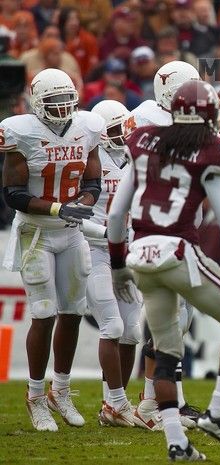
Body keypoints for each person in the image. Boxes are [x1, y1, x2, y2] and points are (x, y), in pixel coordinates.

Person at [107, 80, 220, 460]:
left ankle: (176, 442)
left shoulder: (144, 139)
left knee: (166, 353)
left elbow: (117, 214)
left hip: (139, 255)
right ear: (211, 113)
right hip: (177, 251)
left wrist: (119, 266)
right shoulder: (213, 147)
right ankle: (218, 414)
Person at [1, 68, 103, 432]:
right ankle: (34, 395)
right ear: (37, 102)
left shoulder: (88, 127)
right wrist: (60, 207)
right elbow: (13, 195)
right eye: (54, 101)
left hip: (72, 232)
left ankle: (60, 389)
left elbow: (93, 180)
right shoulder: (19, 131)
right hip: (37, 233)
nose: (62, 108)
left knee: (73, 311)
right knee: (43, 313)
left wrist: (85, 201)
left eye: (66, 100)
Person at [129, 59, 203, 431]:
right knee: (166, 317)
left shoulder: (191, 120)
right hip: (155, 229)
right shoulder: (145, 122)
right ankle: (153, 404)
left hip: (184, 229)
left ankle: (161, 399)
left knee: (181, 317)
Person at [81, 100, 140, 427]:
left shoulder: (138, 158)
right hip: (95, 249)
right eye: (117, 130)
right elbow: (75, 215)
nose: (124, 136)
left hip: (128, 252)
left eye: (126, 128)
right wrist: (109, 231)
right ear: (102, 134)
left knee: (132, 332)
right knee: (113, 326)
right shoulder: (90, 160)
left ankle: (112, 404)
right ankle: (116, 403)